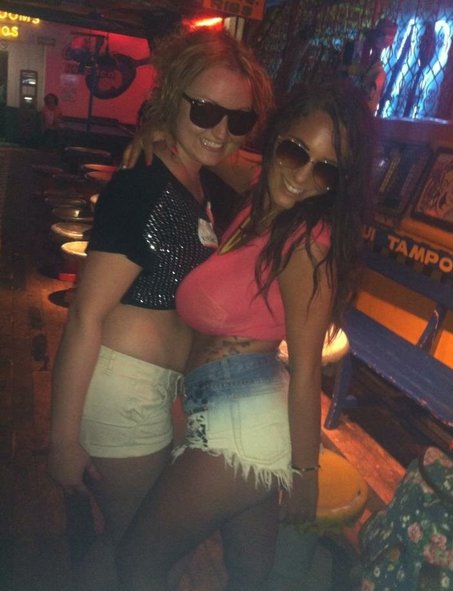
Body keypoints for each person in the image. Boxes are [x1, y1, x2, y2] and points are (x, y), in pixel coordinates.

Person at [116, 80, 375, 591]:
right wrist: (161, 135)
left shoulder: (307, 242)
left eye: (325, 170)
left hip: (242, 423)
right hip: (224, 409)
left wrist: (305, 473)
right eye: (296, 152)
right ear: (277, 139)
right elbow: (213, 152)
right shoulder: (264, 199)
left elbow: (307, 369)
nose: (302, 177)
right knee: (250, 575)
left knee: (136, 562)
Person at [47, 27, 272, 590]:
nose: (220, 132)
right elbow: (85, 316)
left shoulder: (192, 176)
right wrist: (63, 439)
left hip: (160, 392)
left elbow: (274, 178)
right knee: (139, 552)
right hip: (120, 389)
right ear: (174, 95)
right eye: (206, 111)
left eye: (238, 120)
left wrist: (179, 133)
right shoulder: (143, 184)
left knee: (132, 546)